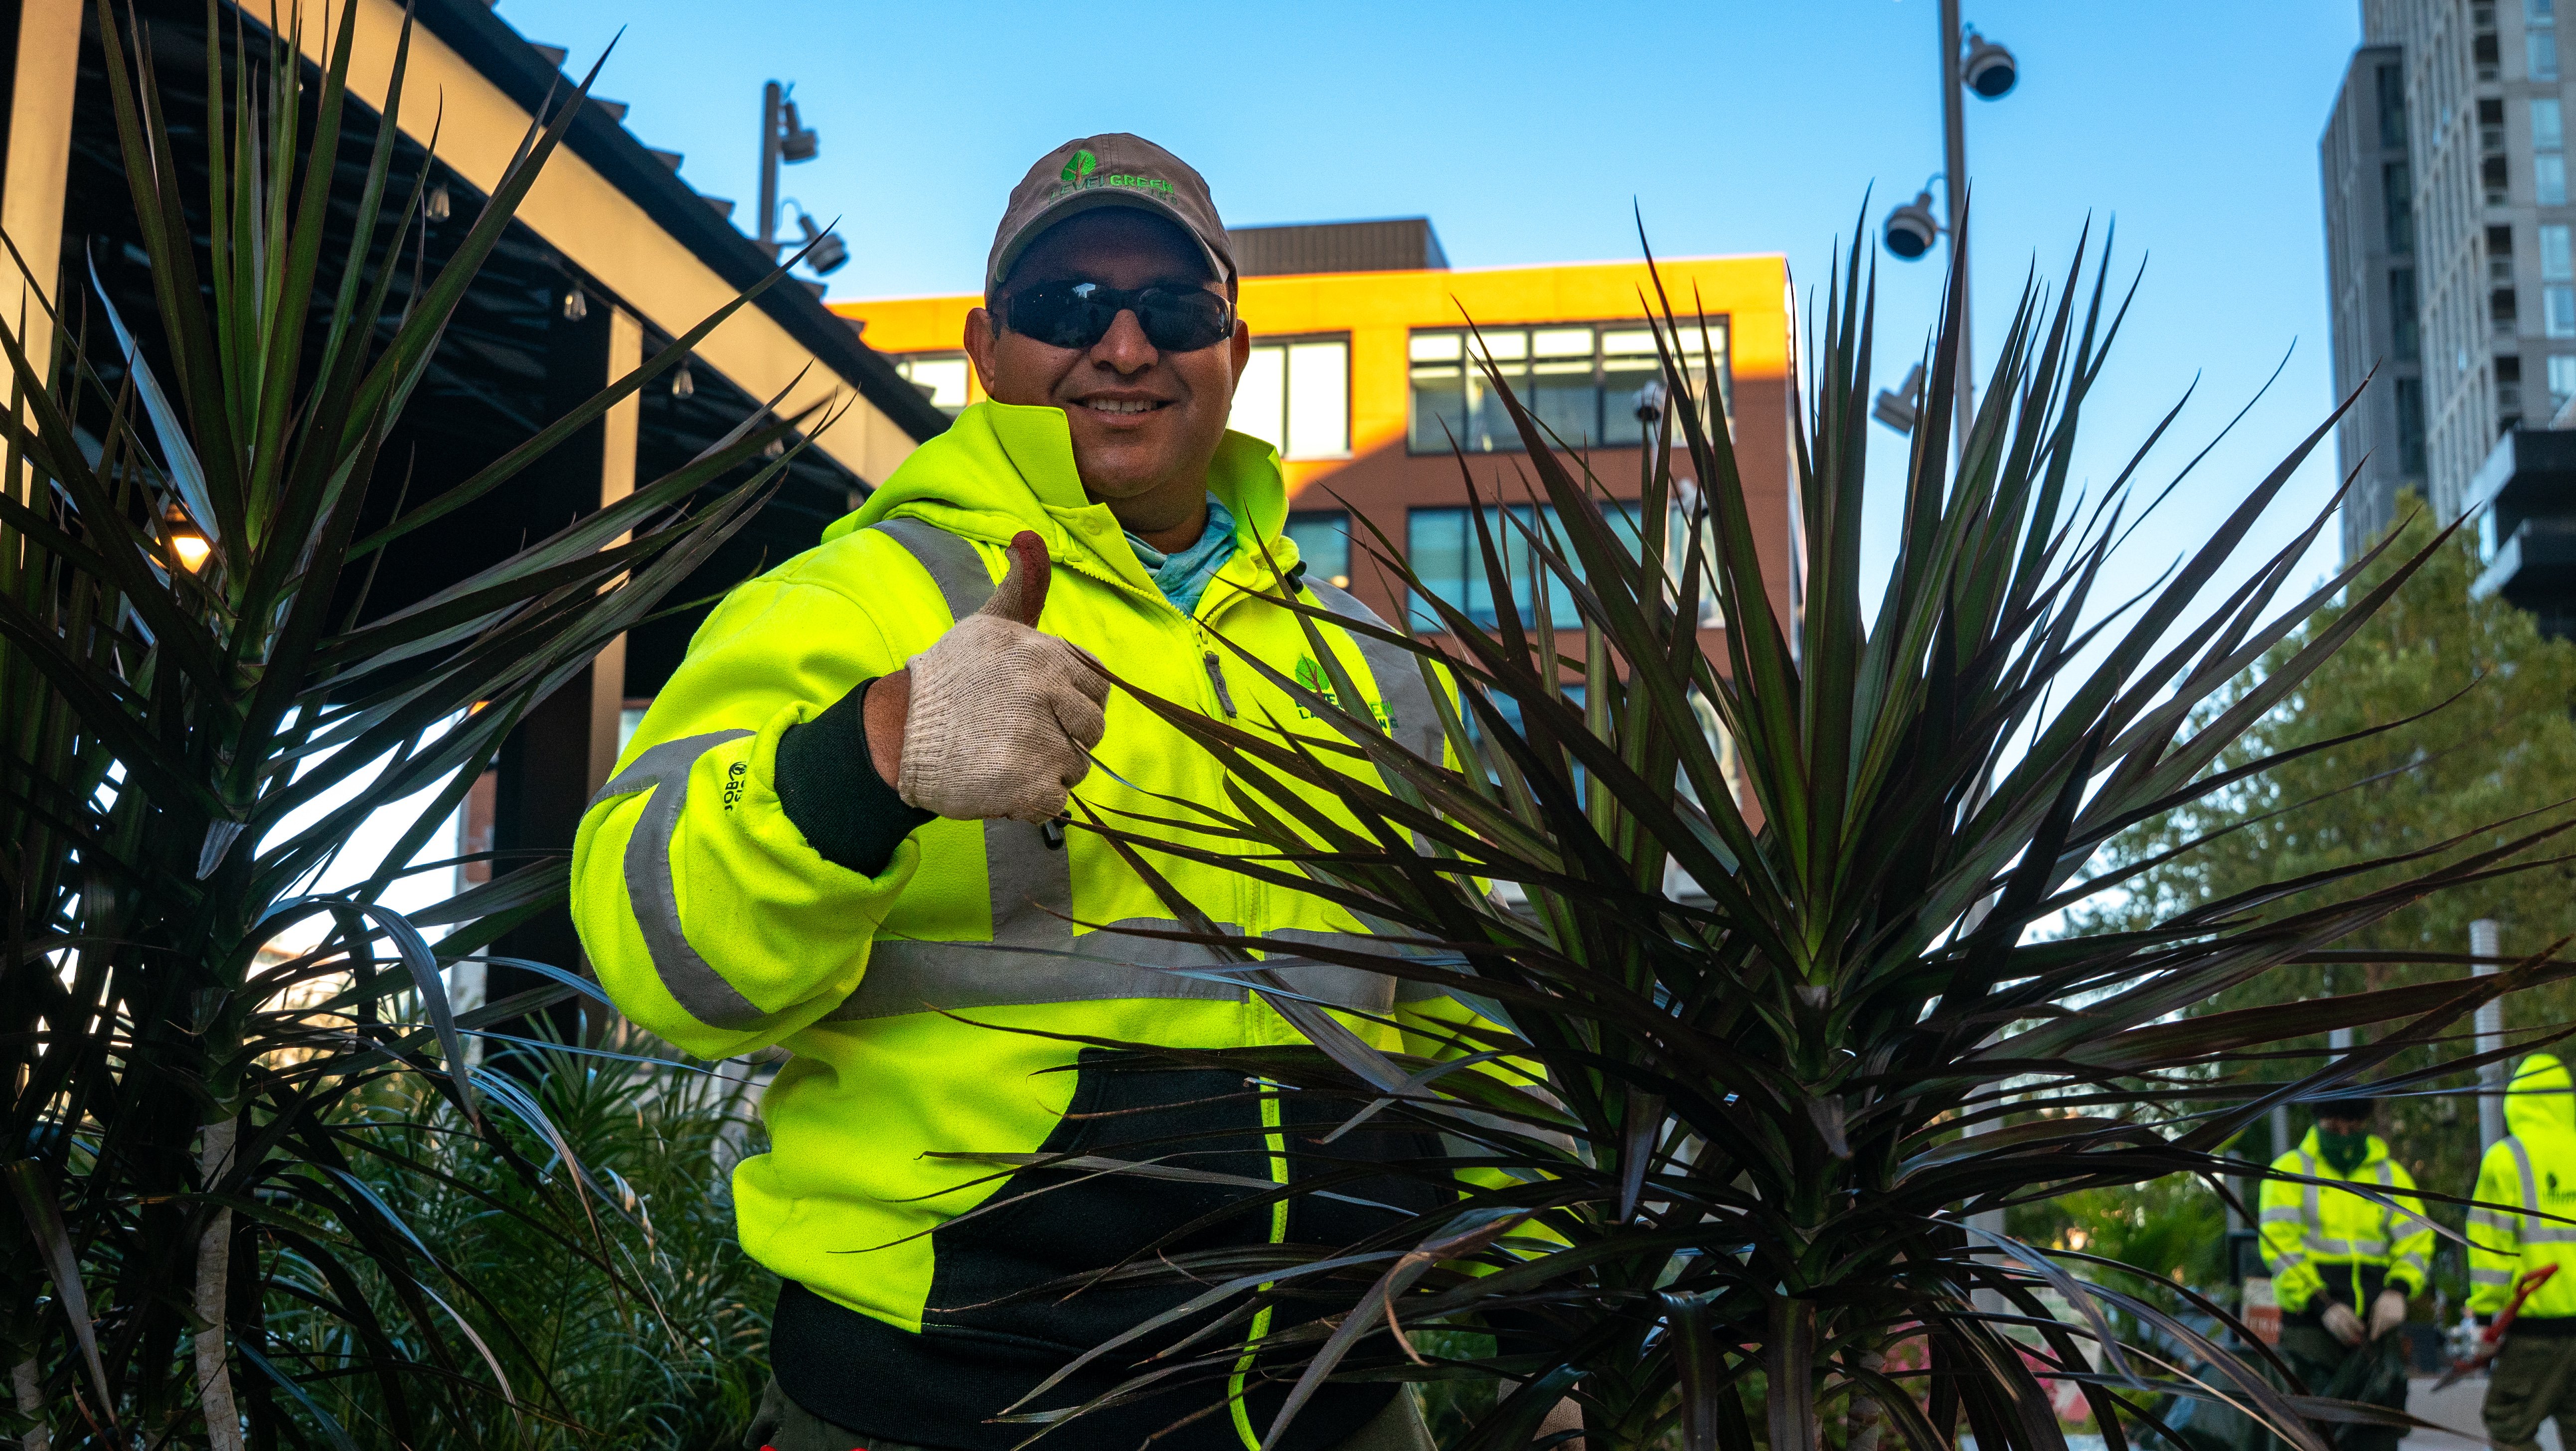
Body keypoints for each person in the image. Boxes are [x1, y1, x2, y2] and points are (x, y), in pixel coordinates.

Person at [573, 135, 1475, 1451]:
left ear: (1237, 344)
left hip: (1340, 1403)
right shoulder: (854, 602)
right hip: (955, 1405)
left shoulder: (1370, 662)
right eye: (1067, 308)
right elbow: (649, 948)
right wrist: (873, 760)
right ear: (985, 347)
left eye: (1174, 308)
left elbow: (1454, 1017)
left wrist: (1544, 1337)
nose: (1123, 347)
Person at [2257, 1095, 2431, 1451]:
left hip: (2375, 1333)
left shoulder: (2390, 1175)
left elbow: (2416, 1241)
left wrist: (2398, 1290)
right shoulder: (2288, 1173)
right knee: (2307, 1436)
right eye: (2334, 1128)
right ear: (2317, 1122)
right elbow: (2280, 1248)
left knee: (2377, 1436)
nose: (2344, 1136)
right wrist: (2322, 1304)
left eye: (2353, 1129)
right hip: (2311, 1332)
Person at [2468, 1052, 2576, 1451]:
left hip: (2534, 1333)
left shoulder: (2507, 1158)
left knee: (2509, 1425)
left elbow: (2489, 1247)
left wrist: (2484, 1318)